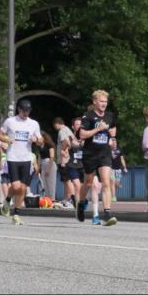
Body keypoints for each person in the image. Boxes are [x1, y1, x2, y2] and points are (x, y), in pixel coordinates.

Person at [77, 90, 119, 227]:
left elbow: (113, 129)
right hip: (90, 154)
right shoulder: (87, 116)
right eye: (101, 101)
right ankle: (81, 203)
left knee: (106, 182)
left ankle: (107, 214)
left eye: (105, 102)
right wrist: (97, 129)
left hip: (104, 153)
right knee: (88, 184)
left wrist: (113, 135)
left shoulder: (109, 115)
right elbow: (82, 135)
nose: (104, 104)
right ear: (95, 102)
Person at [0, 99, 44, 226]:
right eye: (24, 111)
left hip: (26, 158)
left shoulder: (34, 124)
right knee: (17, 186)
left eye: (28, 111)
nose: (26, 113)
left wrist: (36, 140)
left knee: (23, 188)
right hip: (13, 158)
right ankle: (7, 201)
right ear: (19, 109)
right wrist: (7, 140)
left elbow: (41, 140)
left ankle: (16, 214)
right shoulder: (10, 121)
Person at [53, 117, 75, 208]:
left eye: (54, 125)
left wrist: (63, 152)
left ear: (57, 123)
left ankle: (72, 200)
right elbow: (71, 141)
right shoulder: (68, 129)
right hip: (70, 158)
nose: (55, 127)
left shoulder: (62, 131)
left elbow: (65, 142)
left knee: (67, 180)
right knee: (67, 180)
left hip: (64, 159)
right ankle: (66, 199)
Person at [40, 131, 58, 199]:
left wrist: (48, 168)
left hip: (49, 164)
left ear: (44, 137)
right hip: (43, 164)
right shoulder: (40, 146)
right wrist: (39, 167)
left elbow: (52, 157)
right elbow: (39, 157)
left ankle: (52, 199)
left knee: (51, 183)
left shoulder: (49, 145)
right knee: (44, 183)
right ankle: (47, 199)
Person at [110, 137, 127, 202]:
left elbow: (122, 159)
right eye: (113, 142)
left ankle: (116, 187)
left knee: (116, 183)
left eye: (115, 142)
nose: (114, 144)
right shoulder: (108, 150)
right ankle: (113, 197)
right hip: (111, 168)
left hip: (118, 169)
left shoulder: (119, 150)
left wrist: (124, 167)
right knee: (112, 182)